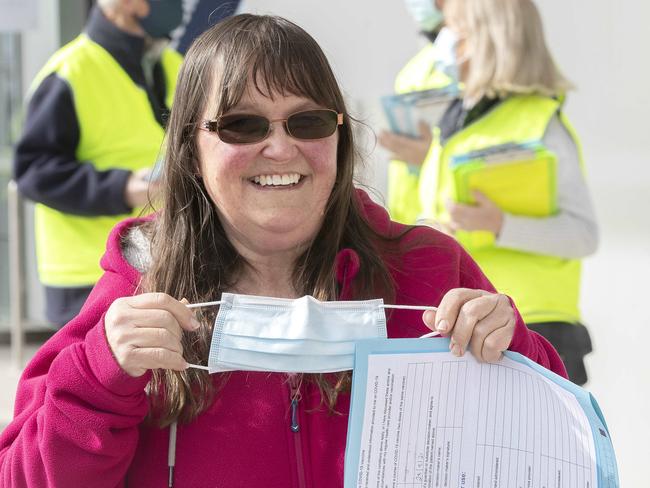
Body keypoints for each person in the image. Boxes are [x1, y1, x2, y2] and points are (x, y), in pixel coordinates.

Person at [0, 14, 566, 487]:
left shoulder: (428, 269)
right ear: (190, 151)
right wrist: (99, 377)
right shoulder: (141, 286)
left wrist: (515, 350)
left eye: (308, 121)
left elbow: (558, 447)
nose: (280, 147)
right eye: (242, 125)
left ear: (339, 140)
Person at [415, 0, 598, 385]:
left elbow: (584, 235)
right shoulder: (452, 123)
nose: (443, 42)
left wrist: (499, 225)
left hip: (536, 327)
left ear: (488, 39)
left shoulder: (541, 124)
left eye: (456, 29)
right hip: (471, 325)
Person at [12, 0, 183, 327]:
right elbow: (33, 172)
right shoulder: (70, 72)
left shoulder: (176, 64)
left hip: (161, 263)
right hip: (88, 278)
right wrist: (121, 188)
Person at [379, 0, 452, 224]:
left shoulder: (485, 65)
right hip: (412, 230)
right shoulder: (414, 69)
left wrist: (431, 162)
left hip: (458, 235)